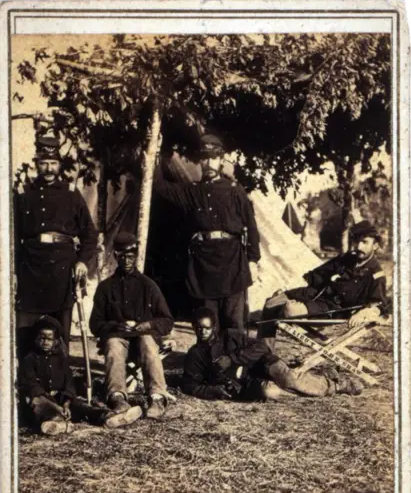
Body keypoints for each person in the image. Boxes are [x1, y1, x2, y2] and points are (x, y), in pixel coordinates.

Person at [153, 132, 260, 332]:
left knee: (234, 322)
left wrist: (253, 260)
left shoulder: (234, 190)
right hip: (203, 267)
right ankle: (210, 362)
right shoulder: (192, 192)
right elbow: (159, 186)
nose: (209, 163)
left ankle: (236, 362)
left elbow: (251, 226)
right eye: (204, 158)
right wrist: (156, 152)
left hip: (232, 264)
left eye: (214, 158)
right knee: (207, 323)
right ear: (199, 161)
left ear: (221, 160)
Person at [14, 134, 97, 356]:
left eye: (53, 163)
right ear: (37, 164)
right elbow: (13, 236)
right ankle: (28, 380)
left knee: (60, 327)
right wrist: (14, 270)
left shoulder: (71, 194)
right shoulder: (24, 195)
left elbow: (90, 234)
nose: (49, 168)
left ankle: (61, 380)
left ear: (59, 165)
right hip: (31, 269)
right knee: (26, 328)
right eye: (44, 163)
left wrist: (82, 261)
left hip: (62, 269)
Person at [182, 307, 363, 401]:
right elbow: (190, 384)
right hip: (245, 383)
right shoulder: (195, 354)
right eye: (198, 328)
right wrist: (211, 390)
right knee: (271, 393)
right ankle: (315, 382)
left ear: (214, 327)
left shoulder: (230, 335)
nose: (203, 332)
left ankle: (337, 385)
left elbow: (261, 347)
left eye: (207, 328)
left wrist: (232, 358)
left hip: (262, 364)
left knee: (288, 379)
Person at [258, 220, 387, 344]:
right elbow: (315, 276)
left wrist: (364, 313)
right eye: (356, 241)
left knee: (290, 310)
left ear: (375, 245)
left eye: (365, 242)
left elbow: (378, 304)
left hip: (332, 309)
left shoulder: (376, 275)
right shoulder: (346, 258)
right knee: (271, 303)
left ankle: (268, 359)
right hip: (316, 293)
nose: (359, 246)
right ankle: (264, 355)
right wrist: (288, 288)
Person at [89, 232, 174, 419]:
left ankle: (157, 398)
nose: (127, 260)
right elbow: (95, 324)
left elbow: (167, 321)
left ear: (136, 256)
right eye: (122, 256)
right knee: (113, 344)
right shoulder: (105, 287)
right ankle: (117, 397)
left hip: (143, 340)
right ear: (115, 256)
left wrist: (147, 325)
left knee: (148, 341)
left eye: (131, 256)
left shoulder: (148, 286)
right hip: (119, 339)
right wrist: (115, 326)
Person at [19, 316, 143, 436]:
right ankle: (56, 423)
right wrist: (56, 406)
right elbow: (32, 386)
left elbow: (68, 382)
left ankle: (108, 417)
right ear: (35, 339)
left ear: (56, 341)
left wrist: (67, 402)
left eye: (49, 339)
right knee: (44, 408)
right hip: (42, 399)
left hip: (60, 398)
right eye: (42, 338)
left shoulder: (61, 360)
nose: (45, 342)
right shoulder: (29, 360)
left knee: (81, 407)